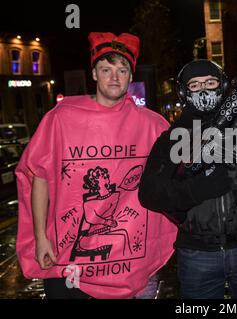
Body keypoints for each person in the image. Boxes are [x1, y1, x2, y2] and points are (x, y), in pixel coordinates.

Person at [15, 32, 177, 299]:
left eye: (122, 70)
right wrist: (41, 237)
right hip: (67, 265)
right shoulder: (61, 119)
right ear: (93, 74)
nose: (114, 77)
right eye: (106, 69)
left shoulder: (153, 125)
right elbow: (39, 177)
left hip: (126, 268)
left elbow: (178, 174)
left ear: (130, 76)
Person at [138, 59, 237, 299]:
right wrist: (197, 189)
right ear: (184, 92)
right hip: (197, 254)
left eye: (210, 82)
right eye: (195, 85)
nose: (204, 89)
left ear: (222, 86)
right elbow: (149, 193)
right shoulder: (174, 137)